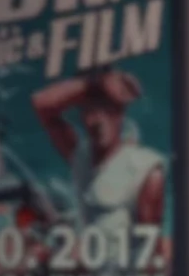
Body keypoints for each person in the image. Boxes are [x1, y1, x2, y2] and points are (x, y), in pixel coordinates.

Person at [33, 67, 169, 249]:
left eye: (105, 107)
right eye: (89, 109)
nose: (97, 120)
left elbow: (151, 252)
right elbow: (41, 104)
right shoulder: (81, 158)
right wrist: (96, 83)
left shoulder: (144, 169)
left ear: (120, 111)